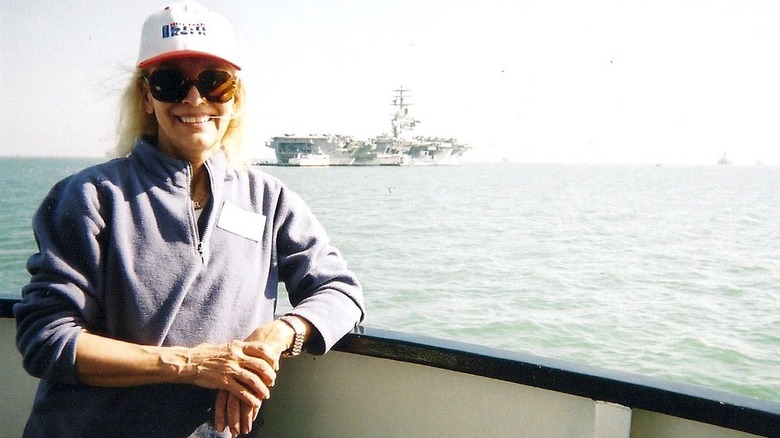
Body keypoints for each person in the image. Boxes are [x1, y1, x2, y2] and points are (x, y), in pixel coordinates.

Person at [13, 2, 365, 437]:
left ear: (235, 98)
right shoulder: (88, 196)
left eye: (215, 82)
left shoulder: (270, 199)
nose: (194, 99)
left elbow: (340, 290)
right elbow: (45, 341)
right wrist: (193, 364)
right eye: (170, 82)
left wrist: (282, 333)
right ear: (146, 97)